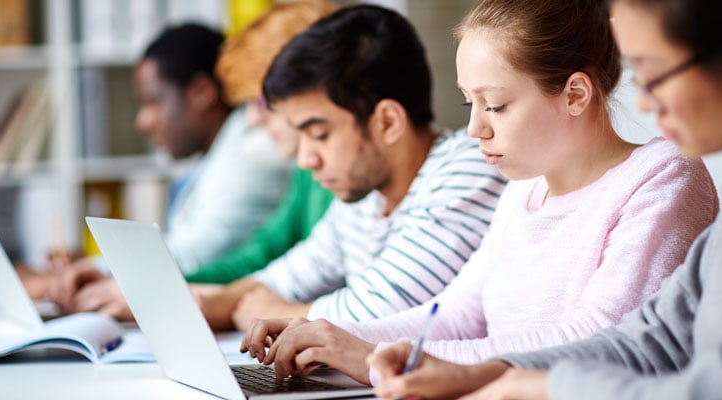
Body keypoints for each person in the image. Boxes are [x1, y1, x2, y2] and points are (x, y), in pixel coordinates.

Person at [239, 0, 719, 386]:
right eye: (472, 103)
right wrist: (335, 339)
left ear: (575, 94)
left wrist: (377, 357)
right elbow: (453, 314)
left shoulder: (661, 176)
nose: (474, 128)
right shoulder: (524, 187)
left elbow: (598, 337)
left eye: (496, 105)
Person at [195, 5, 507, 331]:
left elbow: (376, 314)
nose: (305, 159)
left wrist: (272, 312)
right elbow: (286, 277)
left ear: (387, 122)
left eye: (319, 134)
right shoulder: (366, 195)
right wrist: (210, 303)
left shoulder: (467, 169)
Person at [48, 23, 291, 316]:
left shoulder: (256, 151)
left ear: (201, 91)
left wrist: (103, 275)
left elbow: (197, 255)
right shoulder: (215, 155)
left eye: (153, 101)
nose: (142, 121)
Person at [186, 0, 337, 284]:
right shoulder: (305, 172)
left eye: (262, 102)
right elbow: (261, 253)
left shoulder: (343, 175)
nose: (252, 120)